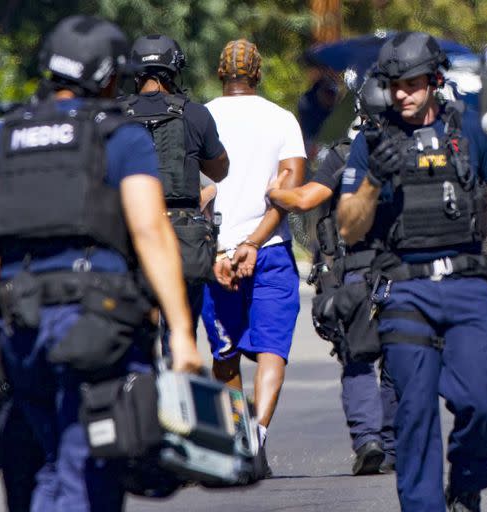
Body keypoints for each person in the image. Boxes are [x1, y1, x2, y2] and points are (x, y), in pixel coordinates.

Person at [0, 15, 202, 512]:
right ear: (108, 77)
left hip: (20, 324)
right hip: (94, 323)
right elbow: (151, 231)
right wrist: (182, 332)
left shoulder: (9, 137)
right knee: (86, 468)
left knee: (38, 458)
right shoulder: (121, 138)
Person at [337, 32, 487, 512]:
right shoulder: (371, 143)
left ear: (434, 81)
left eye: (412, 83)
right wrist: (374, 181)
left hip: (467, 286)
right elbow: (349, 227)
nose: (402, 93)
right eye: (394, 84)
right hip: (404, 291)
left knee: (484, 402)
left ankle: (466, 483)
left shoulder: (471, 134)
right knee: (414, 415)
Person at [266, 70, 397, 476]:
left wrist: (276, 194)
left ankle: (368, 439)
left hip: (354, 270)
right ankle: (391, 443)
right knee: (398, 358)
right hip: (400, 271)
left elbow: (308, 199)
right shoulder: (419, 149)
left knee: (356, 355)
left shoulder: (346, 152)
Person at [202, 38, 306, 478]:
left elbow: (196, 191)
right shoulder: (282, 119)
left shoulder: (200, 117)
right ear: (258, 74)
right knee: (272, 349)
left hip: (217, 252)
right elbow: (291, 192)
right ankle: (258, 435)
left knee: (224, 354)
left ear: (221, 73)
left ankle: (237, 436)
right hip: (271, 252)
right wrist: (256, 242)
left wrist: (219, 247)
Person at [125, 34, 228, 343]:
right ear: (175, 69)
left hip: (129, 234)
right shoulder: (195, 114)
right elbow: (220, 169)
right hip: (182, 239)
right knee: (180, 334)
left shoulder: (115, 115)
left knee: (133, 337)